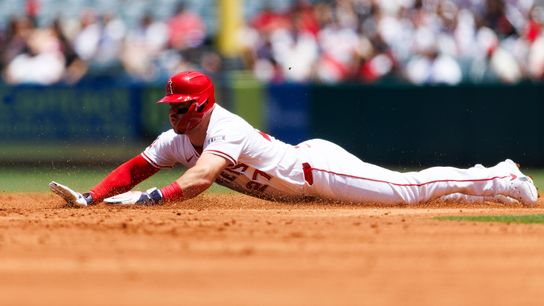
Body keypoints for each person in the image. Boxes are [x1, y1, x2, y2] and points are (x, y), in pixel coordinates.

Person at [49, 70, 539, 207]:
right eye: (170, 107)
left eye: (179, 108)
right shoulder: (177, 138)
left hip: (313, 170)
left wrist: (149, 200)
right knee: (403, 193)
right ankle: (490, 179)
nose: (173, 114)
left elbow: (199, 180)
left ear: (199, 106)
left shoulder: (224, 127)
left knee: (405, 192)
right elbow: (137, 166)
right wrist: (93, 197)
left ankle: (498, 175)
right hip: (302, 186)